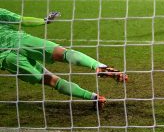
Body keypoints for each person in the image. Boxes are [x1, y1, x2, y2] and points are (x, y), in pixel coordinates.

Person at [0, 8, 128, 110]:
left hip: (7, 58)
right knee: (63, 54)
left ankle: (95, 97)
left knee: (52, 81)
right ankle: (99, 66)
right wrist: (44, 20)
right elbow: (23, 20)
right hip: (20, 40)